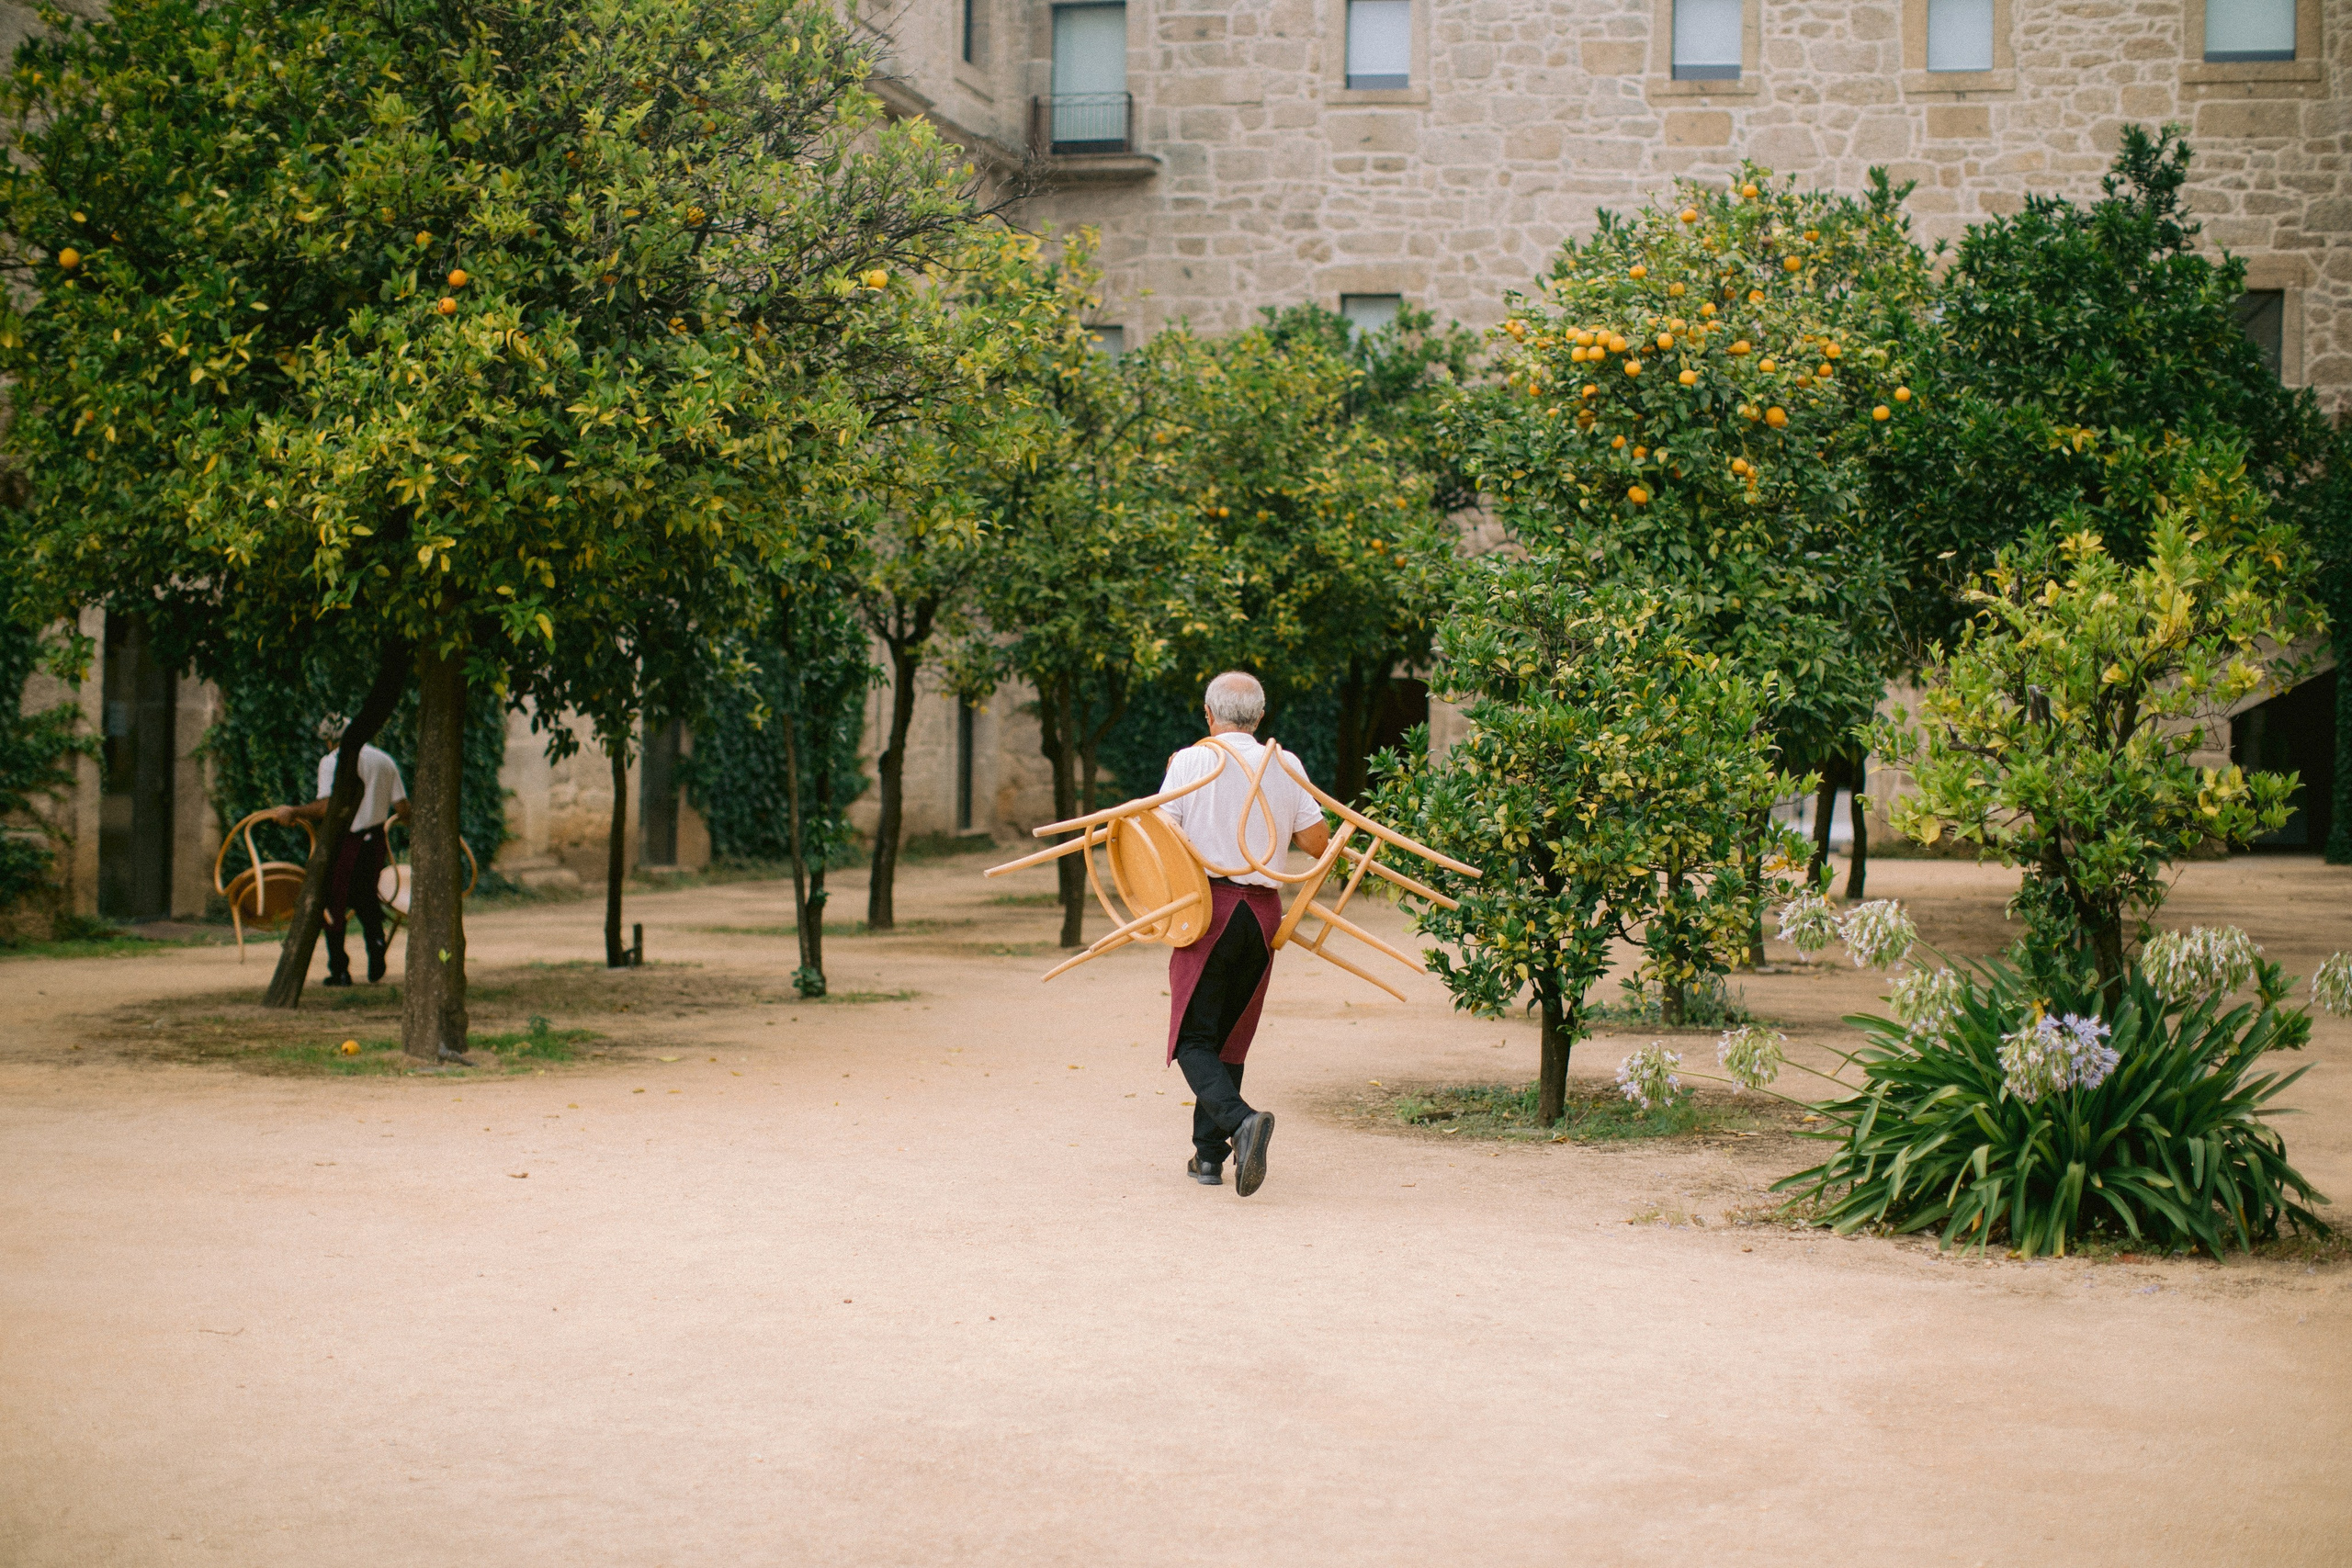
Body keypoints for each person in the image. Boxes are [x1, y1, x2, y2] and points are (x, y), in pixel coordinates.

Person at [1155, 671, 1330, 1197]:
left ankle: (1240, 1123)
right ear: (1259, 716)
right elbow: (1318, 842)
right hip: (1262, 914)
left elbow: (1158, 834)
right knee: (1230, 1035)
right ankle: (1208, 1157)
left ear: (1209, 715)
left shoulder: (1191, 760)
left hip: (1207, 907)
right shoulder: (1285, 763)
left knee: (1192, 1036)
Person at [271, 737, 409, 987]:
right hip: (374, 839)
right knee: (367, 897)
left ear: (330, 739)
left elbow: (325, 806)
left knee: (333, 902)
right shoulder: (384, 760)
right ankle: (377, 948)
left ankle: (340, 970)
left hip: (346, 840)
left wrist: (295, 811)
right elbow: (402, 807)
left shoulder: (333, 761)